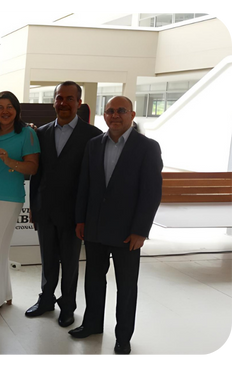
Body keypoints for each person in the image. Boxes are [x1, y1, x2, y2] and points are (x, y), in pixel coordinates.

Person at [70, 96, 163, 358]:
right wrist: (81, 219)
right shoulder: (93, 145)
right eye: (110, 111)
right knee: (94, 279)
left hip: (127, 233)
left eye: (121, 111)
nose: (115, 115)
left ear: (132, 115)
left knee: (126, 286)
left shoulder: (147, 147)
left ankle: (123, 338)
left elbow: (151, 192)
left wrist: (141, 231)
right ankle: (92, 324)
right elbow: (85, 186)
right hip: (95, 228)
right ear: (104, 116)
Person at [25, 82, 102, 327]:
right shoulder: (41, 133)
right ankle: (46, 299)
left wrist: (86, 216)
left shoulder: (93, 136)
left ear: (79, 103)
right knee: (48, 260)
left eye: (70, 98)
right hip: (45, 210)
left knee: (70, 263)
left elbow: (94, 180)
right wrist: (34, 208)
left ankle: (67, 306)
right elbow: (37, 175)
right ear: (54, 102)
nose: (64, 103)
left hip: (74, 214)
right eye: (60, 98)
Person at [0, 91, 40, 316]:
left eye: (9, 106)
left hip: (9, 198)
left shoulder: (27, 134)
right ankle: (4, 292)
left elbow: (32, 168)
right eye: (0, 107)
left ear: (16, 110)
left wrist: (9, 161)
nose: (5, 111)